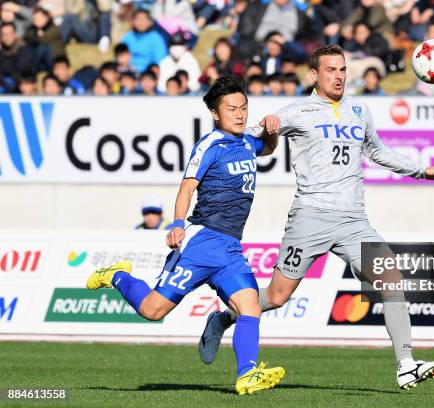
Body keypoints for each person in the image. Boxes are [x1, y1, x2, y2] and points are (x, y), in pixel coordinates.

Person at [201, 45, 434, 390]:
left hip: (353, 221)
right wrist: (268, 128)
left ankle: (405, 364)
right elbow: (248, 136)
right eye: (330, 70)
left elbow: (378, 151)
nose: (338, 76)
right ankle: (225, 317)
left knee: (391, 278)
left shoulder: (359, 111)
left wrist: (422, 170)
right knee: (275, 297)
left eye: (342, 69)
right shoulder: (298, 110)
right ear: (314, 75)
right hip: (309, 218)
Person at [86, 74, 285, 395]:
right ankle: (116, 276)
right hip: (201, 242)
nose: (240, 114)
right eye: (232, 108)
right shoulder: (208, 145)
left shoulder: (248, 140)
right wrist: (178, 223)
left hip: (230, 248)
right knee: (153, 310)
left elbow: (268, 147)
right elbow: (186, 186)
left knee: (250, 307)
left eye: (244, 107)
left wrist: (272, 131)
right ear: (216, 114)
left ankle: (247, 374)